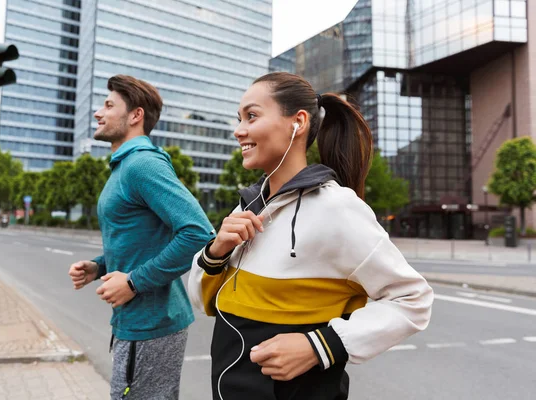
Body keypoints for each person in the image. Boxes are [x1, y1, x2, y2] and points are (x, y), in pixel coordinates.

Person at [188, 72, 434, 400]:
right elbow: (202, 302)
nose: (239, 130)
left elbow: (413, 299)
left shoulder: (336, 207)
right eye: (239, 119)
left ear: (298, 122)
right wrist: (216, 252)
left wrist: (318, 346)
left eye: (251, 116)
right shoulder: (247, 207)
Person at [69, 75, 213, 400]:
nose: (98, 112)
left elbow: (198, 232)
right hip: (135, 323)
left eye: (108, 105)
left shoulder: (142, 165)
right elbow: (144, 240)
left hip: (150, 324)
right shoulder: (124, 167)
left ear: (136, 116)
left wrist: (133, 282)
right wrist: (98, 266)